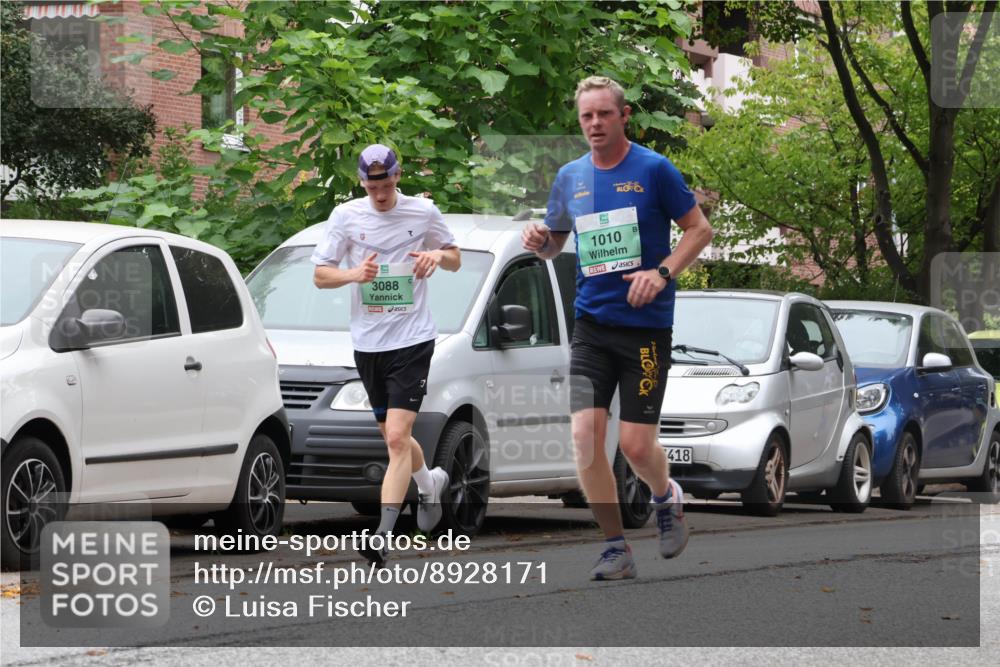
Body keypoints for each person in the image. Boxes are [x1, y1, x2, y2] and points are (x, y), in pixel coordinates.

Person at [522, 76, 713, 580]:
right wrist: (538, 238)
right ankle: (614, 547)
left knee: (633, 445)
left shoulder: (654, 169)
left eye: (604, 114)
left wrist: (662, 272)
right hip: (592, 326)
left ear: (623, 116)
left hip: (646, 330)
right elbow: (554, 245)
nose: (595, 124)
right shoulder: (570, 177)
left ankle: (665, 496)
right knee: (585, 439)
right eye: (587, 116)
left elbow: (700, 229)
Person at [312, 144, 461, 567]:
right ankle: (429, 483)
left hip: (413, 339)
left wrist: (436, 255)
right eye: (371, 184)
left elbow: (454, 257)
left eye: (386, 182)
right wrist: (354, 274)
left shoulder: (422, 212)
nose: (379, 191)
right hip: (369, 342)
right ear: (361, 182)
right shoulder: (346, 216)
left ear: (398, 176)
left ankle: (382, 535)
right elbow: (321, 275)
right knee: (392, 436)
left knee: (397, 437)